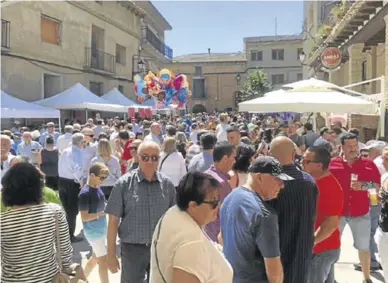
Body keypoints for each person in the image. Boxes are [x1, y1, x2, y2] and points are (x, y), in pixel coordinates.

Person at [105, 141, 176, 283]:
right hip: (132, 251)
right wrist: (111, 255)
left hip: (160, 250)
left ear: (159, 159)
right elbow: (113, 222)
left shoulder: (167, 185)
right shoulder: (123, 184)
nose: (150, 161)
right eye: (145, 157)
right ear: (137, 157)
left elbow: (175, 220)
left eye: (154, 157)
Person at [150, 172, 233, 283]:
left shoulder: (175, 213)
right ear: (193, 206)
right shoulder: (192, 243)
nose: (218, 206)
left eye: (218, 200)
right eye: (213, 202)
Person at [221, 156, 293, 283]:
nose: (282, 186)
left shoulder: (229, 199)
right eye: (277, 179)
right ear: (260, 177)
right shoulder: (265, 215)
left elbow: (221, 238)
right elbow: (274, 271)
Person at [1, 162, 72, 283]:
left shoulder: (2, 221)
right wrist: (66, 269)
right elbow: (65, 250)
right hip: (49, 278)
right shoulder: (54, 211)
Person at [329, 133, 380, 283]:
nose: (353, 149)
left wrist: (364, 186)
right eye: (349, 146)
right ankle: (330, 278)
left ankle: (366, 278)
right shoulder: (333, 164)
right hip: (338, 213)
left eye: (355, 145)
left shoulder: (368, 164)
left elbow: (377, 187)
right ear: (342, 147)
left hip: (361, 212)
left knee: (364, 247)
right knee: (332, 247)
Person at [268, 136, 319, 283]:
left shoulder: (269, 181)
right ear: (292, 155)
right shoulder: (309, 182)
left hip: (277, 251)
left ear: (271, 156)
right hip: (302, 250)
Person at [302, 147, 344, 283]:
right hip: (322, 249)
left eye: (306, 161)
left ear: (319, 165)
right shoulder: (315, 182)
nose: (302, 162)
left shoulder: (329, 188)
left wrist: (309, 243)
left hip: (321, 251)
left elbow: (331, 223)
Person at [79, 163, 110, 283]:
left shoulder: (97, 187)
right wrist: (100, 214)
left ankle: (81, 278)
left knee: (95, 258)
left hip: (100, 230)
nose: (103, 180)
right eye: (101, 177)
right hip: (94, 232)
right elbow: (84, 217)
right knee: (103, 261)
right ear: (92, 175)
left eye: (105, 178)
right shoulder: (85, 193)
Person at [204, 142, 236, 242]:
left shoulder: (206, 174)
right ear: (225, 159)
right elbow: (226, 214)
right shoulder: (221, 183)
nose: (234, 161)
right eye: (233, 158)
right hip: (218, 238)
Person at [58, 133, 85, 242]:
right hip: (71, 183)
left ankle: (65, 234)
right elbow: (77, 169)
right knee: (72, 211)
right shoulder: (76, 152)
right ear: (80, 142)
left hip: (62, 181)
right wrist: (82, 182)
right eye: (83, 142)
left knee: (66, 210)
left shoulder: (65, 150)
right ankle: (70, 236)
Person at [376, 173, 388, 281]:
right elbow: (382, 200)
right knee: (386, 265)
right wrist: (379, 198)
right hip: (384, 228)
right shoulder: (385, 176)